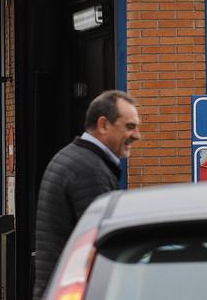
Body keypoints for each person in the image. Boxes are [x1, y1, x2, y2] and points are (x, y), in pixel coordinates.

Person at [32, 90, 141, 299]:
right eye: (129, 127)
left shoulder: (71, 157)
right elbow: (100, 246)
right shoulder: (90, 171)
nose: (136, 135)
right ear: (103, 125)